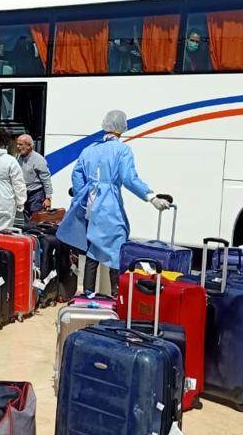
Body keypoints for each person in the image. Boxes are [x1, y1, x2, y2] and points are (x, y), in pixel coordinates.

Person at [56, 109, 171, 296]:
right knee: (117, 250)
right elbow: (129, 178)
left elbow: (77, 175)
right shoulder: (122, 150)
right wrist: (151, 197)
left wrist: (81, 196)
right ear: (123, 127)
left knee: (92, 250)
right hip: (109, 206)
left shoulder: (89, 150)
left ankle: (88, 295)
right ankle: (118, 296)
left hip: (90, 206)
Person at [16, 134, 53, 217]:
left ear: (29, 146)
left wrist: (48, 198)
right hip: (24, 194)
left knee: (36, 220)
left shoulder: (38, 160)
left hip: (36, 195)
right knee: (27, 221)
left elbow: (46, 179)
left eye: (21, 144)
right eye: (17, 144)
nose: (18, 146)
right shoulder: (18, 157)